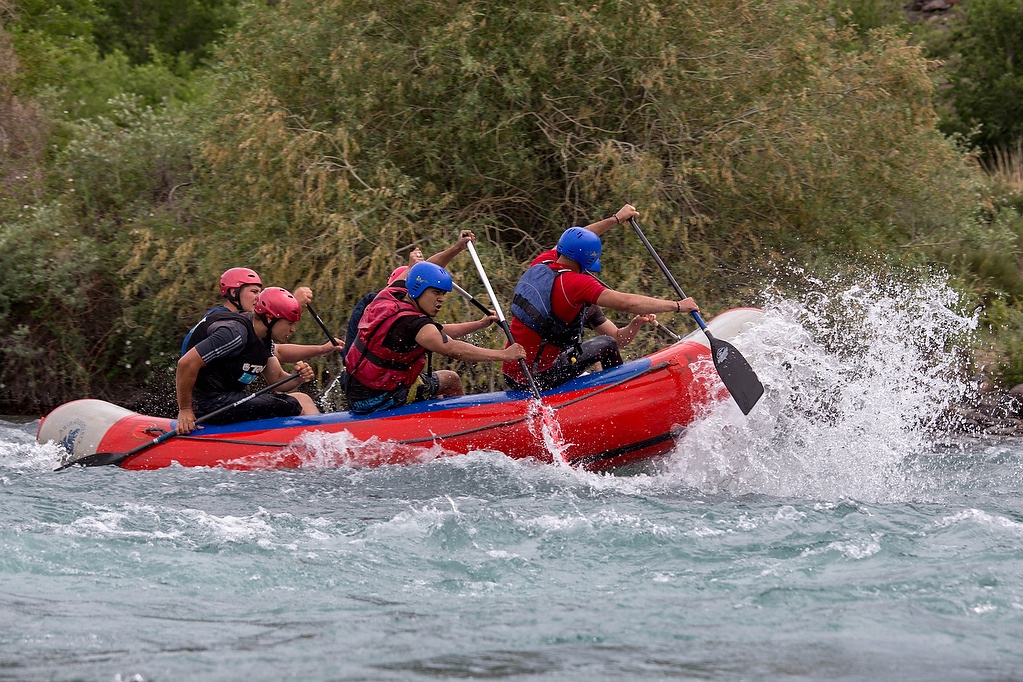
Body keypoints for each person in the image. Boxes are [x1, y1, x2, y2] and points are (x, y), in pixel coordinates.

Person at [503, 204, 699, 391]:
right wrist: (678, 306)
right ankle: (622, 394)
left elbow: (578, 237)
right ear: (588, 260)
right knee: (606, 344)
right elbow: (627, 303)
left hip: (513, 371)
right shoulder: (577, 284)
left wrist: (616, 219)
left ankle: (605, 388)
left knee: (600, 344)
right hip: (537, 379)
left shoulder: (543, 262)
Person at [344, 262, 526, 415]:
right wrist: (504, 355)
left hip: (359, 390)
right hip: (378, 399)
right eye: (436, 292)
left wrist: (479, 324)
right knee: (450, 379)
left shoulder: (391, 296)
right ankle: (462, 425)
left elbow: (437, 332)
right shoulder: (410, 322)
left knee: (434, 387)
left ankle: (436, 420)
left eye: (443, 294)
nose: (441, 299)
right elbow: (451, 348)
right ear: (417, 289)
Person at [176, 287, 320, 434]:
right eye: (289, 323)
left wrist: (298, 378)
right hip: (208, 404)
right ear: (269, 318)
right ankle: (309, 440)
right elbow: (186, 363)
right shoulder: (233, 333)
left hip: (228, 399)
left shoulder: (264, 338)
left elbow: (277, 379)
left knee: (302, 398)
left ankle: (319, 437)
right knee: (290, 404)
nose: (293, 329)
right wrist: (185, 409)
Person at [344, 231, 479, 347]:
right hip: (363, 367)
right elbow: (446, 344)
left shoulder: (411, 310)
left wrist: (457, 248)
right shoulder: (382, 306)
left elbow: (427, 271)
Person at [182, 267, 342, 363]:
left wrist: (322, 349)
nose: (258, 297)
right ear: (233, 292)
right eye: (253, 292)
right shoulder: (225, 322)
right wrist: (293, 302)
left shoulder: (243, 324)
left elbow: (276, 351)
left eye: (260, 292)